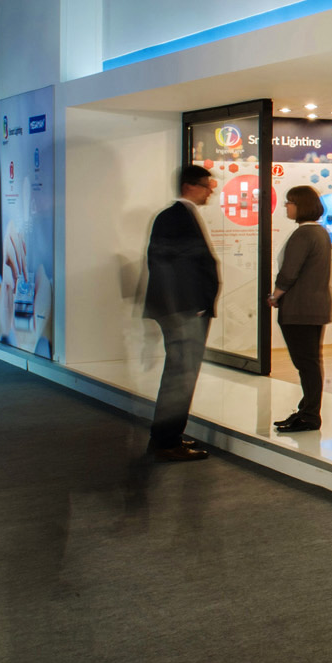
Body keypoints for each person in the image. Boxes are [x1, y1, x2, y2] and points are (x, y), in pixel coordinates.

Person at [142, 165, 220, 461]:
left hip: (185, 311)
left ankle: (168, 437)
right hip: (185, 312)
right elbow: (168, 266)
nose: (210, 191)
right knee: (180, 377)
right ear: (190, 186)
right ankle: (166, 442)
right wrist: (189, 307)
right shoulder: (174, 217)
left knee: (181, 375)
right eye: (206, 185)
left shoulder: (179, 216)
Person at [269, 185, 332, 434]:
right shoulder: (319, 233)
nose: (286, 206)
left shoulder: (304, 234)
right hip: (313, 306)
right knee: (309, 362)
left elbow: (289, 272)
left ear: (301, 205)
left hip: (300, 308)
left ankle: (309, 415)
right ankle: (306, 410)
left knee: (306, 363)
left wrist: (275, 295)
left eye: (290, 202)